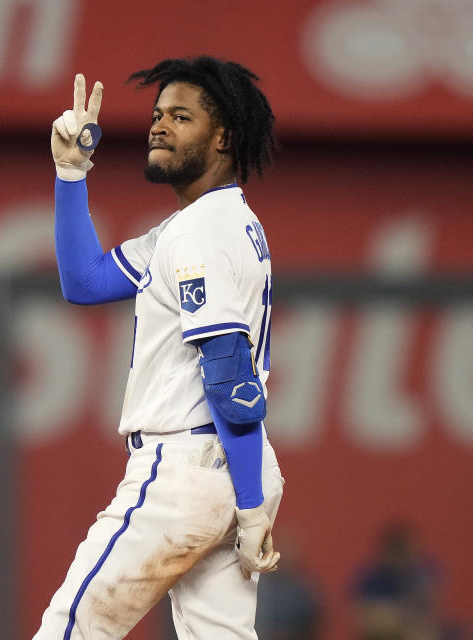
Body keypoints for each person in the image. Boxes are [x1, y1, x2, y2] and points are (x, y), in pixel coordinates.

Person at [33, 56, 284, 639]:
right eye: (157, 115)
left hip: (185, 471)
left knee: (71, 629)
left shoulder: (196, 233)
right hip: (233, 471)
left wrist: (247, 504)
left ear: (222, 136)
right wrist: (72, 171)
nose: (160, 126)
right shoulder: (212, 222)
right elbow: (86, 282)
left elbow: (229, 376)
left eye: (181, 116)